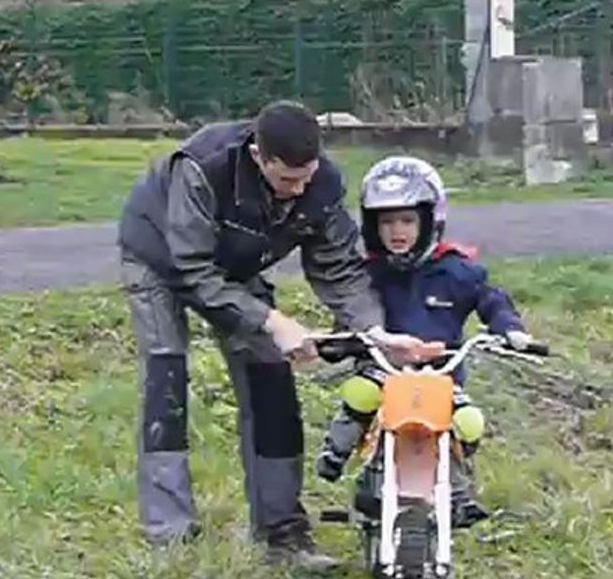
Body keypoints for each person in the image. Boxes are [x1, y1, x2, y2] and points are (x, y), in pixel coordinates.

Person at [117, 101, 428, 570]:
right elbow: (194, 271)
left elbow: (340, 267)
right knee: (167, 378)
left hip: (238, 269)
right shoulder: (202, 169)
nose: (298, 190)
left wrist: (375, 331)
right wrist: (274, 321)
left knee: (271, 378)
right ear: (259, 156)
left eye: (307, 177)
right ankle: (172, 533)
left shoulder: (320, 185)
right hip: (159, 260)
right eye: (287, 181)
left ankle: (282, 533)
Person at [314, 155, 534, 528]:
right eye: (386, 222)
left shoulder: (458, 270)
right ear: (371, 225)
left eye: (407, 220)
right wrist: (341, 343)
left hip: (440, 378)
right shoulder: (369, 273)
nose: (396, 231)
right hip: (384, 372)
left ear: (430, 220)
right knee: (360, 393)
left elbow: (492, 300)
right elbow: (352, 317)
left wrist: (509, 329)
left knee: (468, 421)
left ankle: (458, 491)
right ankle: (337, 452)